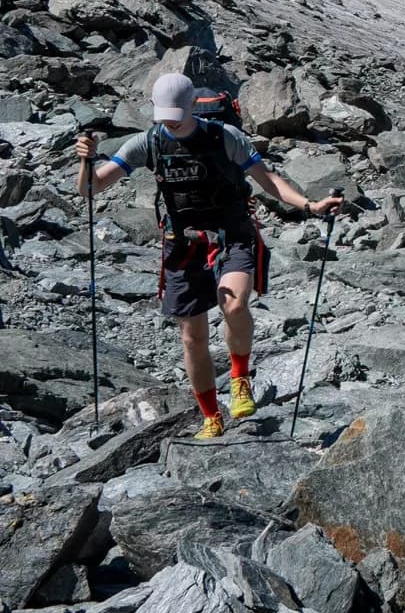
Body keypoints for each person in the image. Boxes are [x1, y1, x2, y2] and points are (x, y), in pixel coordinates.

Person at [76, 72, 344, 439]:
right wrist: (86, 161)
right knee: (192, 338)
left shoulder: (225, 137)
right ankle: (211, 417)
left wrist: (310, 206)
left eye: (176, 114)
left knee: (233, 303)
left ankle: (239, 378)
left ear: (191, 105)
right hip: (182, 244)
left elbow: (268, 180)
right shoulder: (149, 142)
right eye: (163, 115)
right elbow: (91, 188)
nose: (170, 121)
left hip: (231, 233)